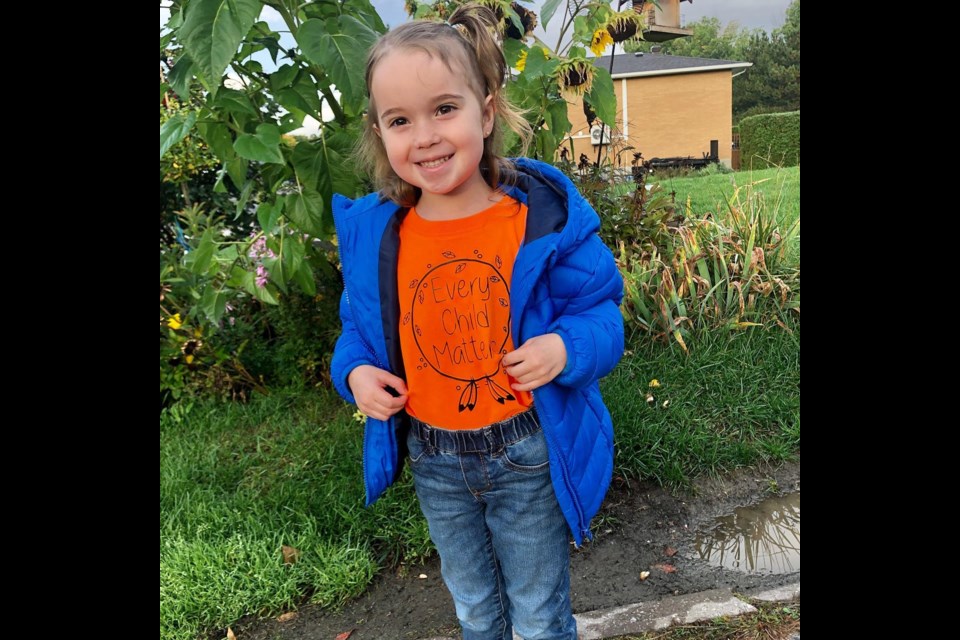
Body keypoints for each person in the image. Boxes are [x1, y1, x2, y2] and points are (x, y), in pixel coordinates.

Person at [330, 5, 624, 639]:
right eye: (400, 120)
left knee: (539, 613)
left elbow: (603, 316)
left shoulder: (538, 222)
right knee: (472, 609)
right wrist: (354, 373)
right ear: (380, 133)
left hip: (524, 451)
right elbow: (356, 329)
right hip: (434, 457)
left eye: (444, 109)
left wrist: (564, 347)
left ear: (486, 112)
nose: (426, 135)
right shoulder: (380, 237)